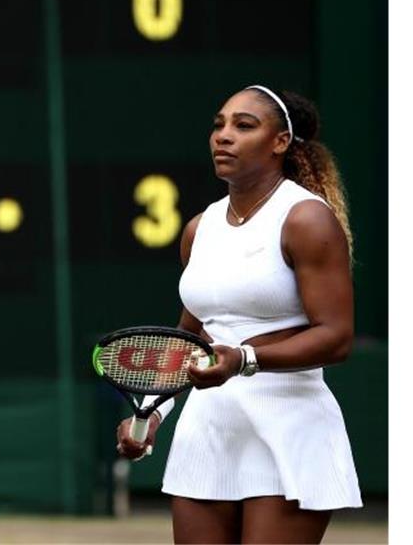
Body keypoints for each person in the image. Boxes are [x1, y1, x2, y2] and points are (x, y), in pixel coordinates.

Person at [115, 85, 362, 544]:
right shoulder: (199, 229)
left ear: (280, 142)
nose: (223, 136)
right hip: (207, 433)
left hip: (288, 430)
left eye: (243, 126)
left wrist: (243, 359)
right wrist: (153, 415)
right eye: (218, 125)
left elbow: (336, 337)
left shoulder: (306, 219)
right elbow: (190, 338)